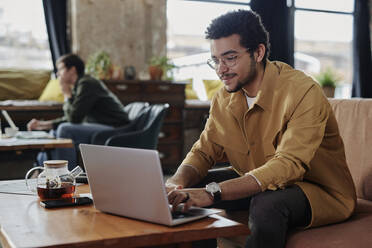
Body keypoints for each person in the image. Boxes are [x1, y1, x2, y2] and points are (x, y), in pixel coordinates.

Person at [166, 10, 356, 248]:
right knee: (188, 190)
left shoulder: (303, 92)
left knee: (267, 203)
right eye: (216, 60)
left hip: (317, 190)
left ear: (258, 52)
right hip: (258, 179)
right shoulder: (223, 98)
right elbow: (204, 151)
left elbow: (287, 166)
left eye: (230, 58)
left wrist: (213, 192)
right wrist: (175, 183)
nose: (220, 69)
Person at [27, 53, 129, 169]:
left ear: (72, 70)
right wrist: (43, 125)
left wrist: (66, 94)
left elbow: (74, 118)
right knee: (53, 134)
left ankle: (67, 177)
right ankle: (45, 171)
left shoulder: (87, 84)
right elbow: (72, 117)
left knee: (65, 130)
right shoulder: (80, 85)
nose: (58, 74)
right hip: (101, 125)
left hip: (116, 128)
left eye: (60, 69)